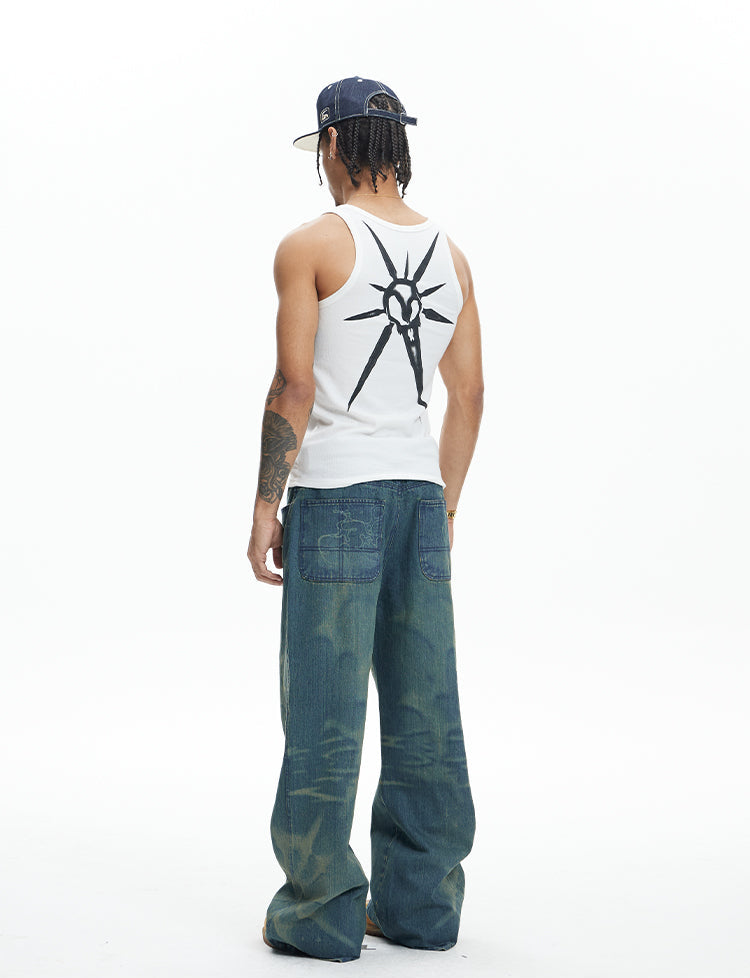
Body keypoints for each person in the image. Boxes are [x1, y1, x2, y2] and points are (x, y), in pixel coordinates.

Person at [247, 77, 484, 963]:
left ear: (335, 144)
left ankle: (320, 914)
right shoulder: (453, 256)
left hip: (337, 495)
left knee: (324, 707)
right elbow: (470, 394)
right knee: (427, 708)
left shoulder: (311, 245)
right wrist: (443, 504)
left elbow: (293, 386)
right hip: (420, 496)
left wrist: (265, 503)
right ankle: (421, 909)